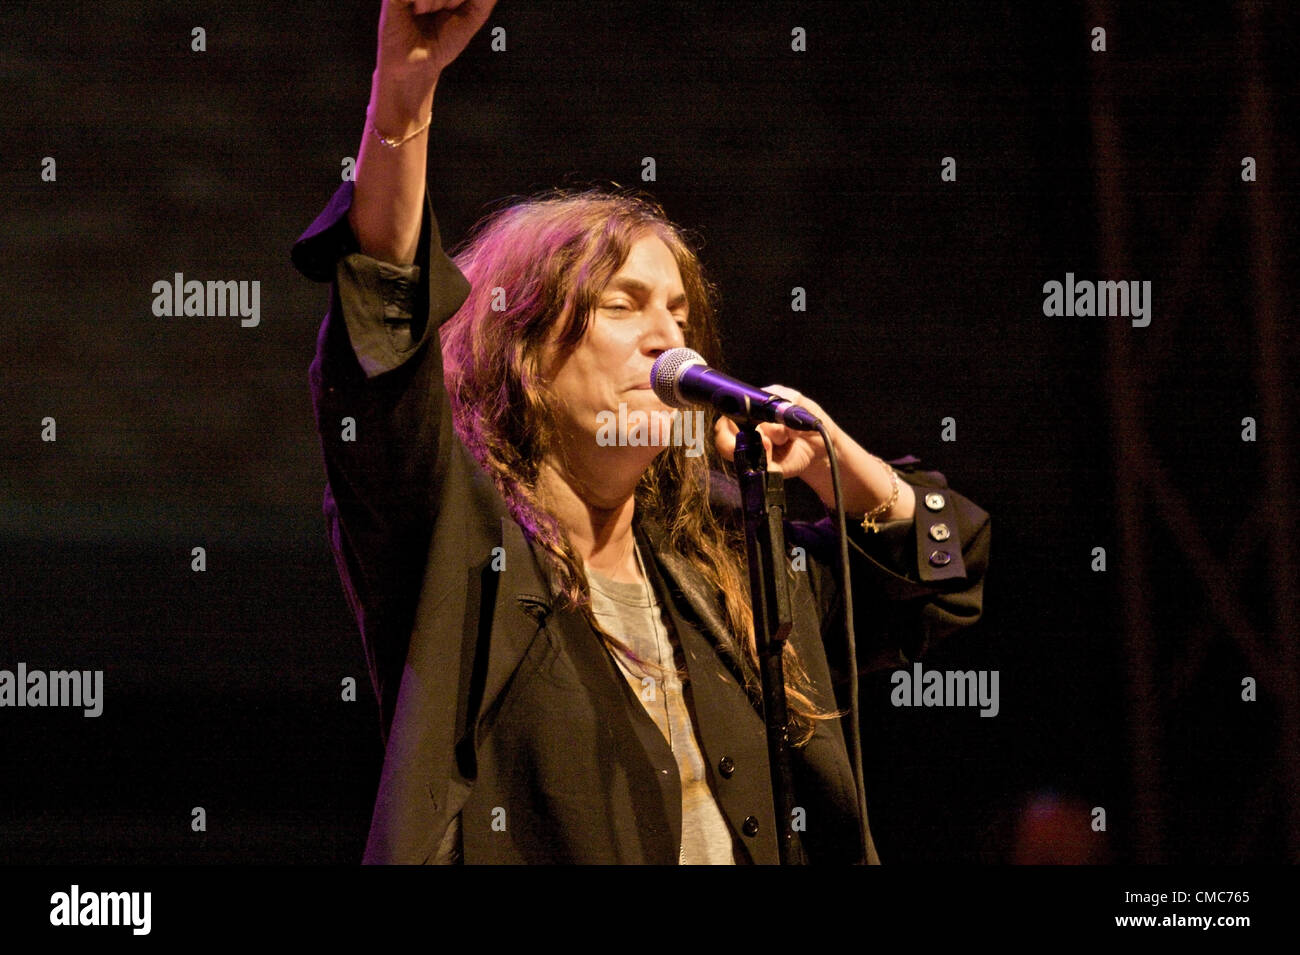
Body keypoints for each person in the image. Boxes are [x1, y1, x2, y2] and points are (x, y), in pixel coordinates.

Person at [292, 0, 989, 864]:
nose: (669, 336)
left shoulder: (736, 560)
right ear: (527, 356)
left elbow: (947, 572)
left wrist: (839, 462)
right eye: (623, 305)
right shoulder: (460, 545)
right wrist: (404, 96)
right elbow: (386, 329)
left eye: (679, 311)